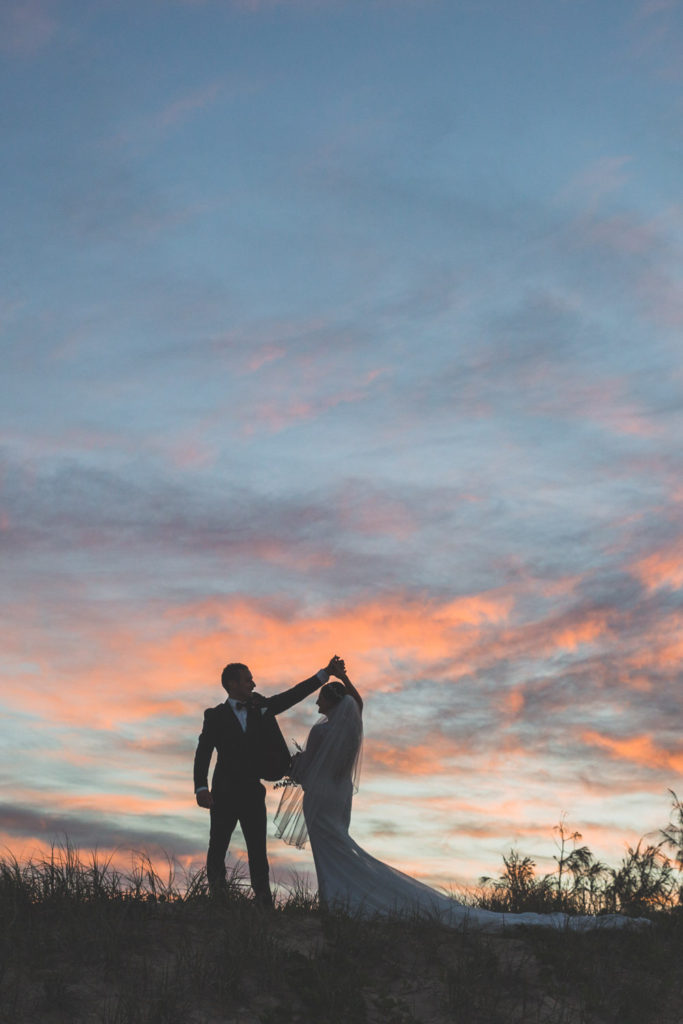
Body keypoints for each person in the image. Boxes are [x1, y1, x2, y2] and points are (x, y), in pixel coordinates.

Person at [275, 666, 645, 932]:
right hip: (338, 797)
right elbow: (358, 703)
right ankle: (340, 902)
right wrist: (345, 678)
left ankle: (338, 903)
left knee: (330, 850)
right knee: (340, 846)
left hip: (321, 797)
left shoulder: (320, 732)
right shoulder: (351, 726)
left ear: (329, 701)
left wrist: (285, 765)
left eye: (320, 697)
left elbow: (305, 769)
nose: (316, 703)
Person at [194, 655, 345, 906]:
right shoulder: (215, 716)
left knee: (257, 849)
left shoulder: (260, 706)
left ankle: (264, 902)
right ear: (232, 684)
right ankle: (217, 899)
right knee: (217, 845)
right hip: (223, 791)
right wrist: (201, 787)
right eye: (247, 680)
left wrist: (324, 674)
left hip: (253, 791)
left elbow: (291, 696)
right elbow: (203, 751)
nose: (253, 684)